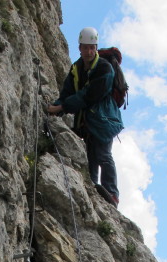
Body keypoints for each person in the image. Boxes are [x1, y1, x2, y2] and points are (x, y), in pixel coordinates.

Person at [48, 27, 124, 207]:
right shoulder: (76, 68)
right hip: (88, 121)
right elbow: (67, 91)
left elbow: (89, 95)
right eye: (85, 48)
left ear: (96, 48)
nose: (89, 51)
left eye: (92, 48)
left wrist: (62, 107)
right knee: (91, 154)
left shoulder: (105, 69)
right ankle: (92, 186)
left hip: (104, 119)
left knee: (103, 154)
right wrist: (58, 105)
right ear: (80, 48)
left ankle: (112, 193)